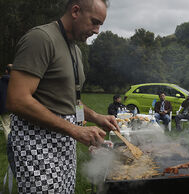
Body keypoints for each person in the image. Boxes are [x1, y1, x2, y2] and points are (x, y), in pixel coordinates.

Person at [6, 0, 120, 193]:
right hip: (37, 147)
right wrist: (75, 130)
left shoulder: (75, 49)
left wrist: (95, 117)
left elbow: (70, 100)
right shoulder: (41, 39)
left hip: (64, 146)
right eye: (94, 22)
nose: (97, 30)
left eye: (100, 24)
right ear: (76, 11)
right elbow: (17, 99)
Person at [0, 64, 12, 141]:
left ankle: (10, 145)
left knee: (6, 126)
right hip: (16, 107)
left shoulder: (0, 81)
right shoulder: (18, 81)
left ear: (6, 71)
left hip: (4, 107)